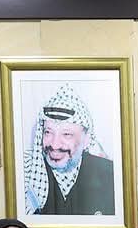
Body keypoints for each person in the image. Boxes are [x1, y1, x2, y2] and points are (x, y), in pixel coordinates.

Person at [21, 84, 118, 218]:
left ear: (86, 140)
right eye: (48, 132)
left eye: (66, 134)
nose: (55, 145)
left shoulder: (110, 174)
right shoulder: (26, 172)